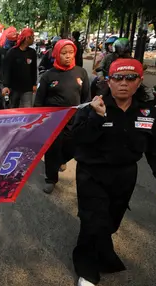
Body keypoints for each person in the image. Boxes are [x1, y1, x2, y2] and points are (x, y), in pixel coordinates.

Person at [72, 58, 156, 286]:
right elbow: (77, 140)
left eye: (130, 78)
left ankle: (102, 251)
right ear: (108, 81)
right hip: (92, 174)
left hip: (124, 176)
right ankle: (87, 270)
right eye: (117, 78)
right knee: (92, 222)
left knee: (110, 223)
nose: (123, 83)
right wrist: (96, 118)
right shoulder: (94, 107)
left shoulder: (148, 113)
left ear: (139, 81)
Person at [34, 39, 90, 194]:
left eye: (71, 53)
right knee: (52, 149)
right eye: (64, 53)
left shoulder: (81, 73)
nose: (68, 56)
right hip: (54, 120)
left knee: (73, 146)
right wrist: (39, 120)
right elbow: (39, 100)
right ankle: (50, 179)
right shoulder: (48, 75)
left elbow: (86, 98)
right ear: (57, 54)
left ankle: (61, 160)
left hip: (75, 119)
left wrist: (85, 116)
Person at [2, 28, 37, 108]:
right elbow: (7, 70)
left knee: (28, 111)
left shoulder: (32, 52)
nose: (33, 39)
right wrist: (6, 86)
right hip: (14, 88)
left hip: (27, 88)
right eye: (32, 37)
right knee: (13, 110)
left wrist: (34, 84)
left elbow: (33, 70)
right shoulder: (12, 52)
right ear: (27, 38)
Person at [0, 29, 18, 109]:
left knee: (7, 101)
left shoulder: (17, 52)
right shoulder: (2, 51)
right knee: (5, 101)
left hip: (10, 80)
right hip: (4, 80)